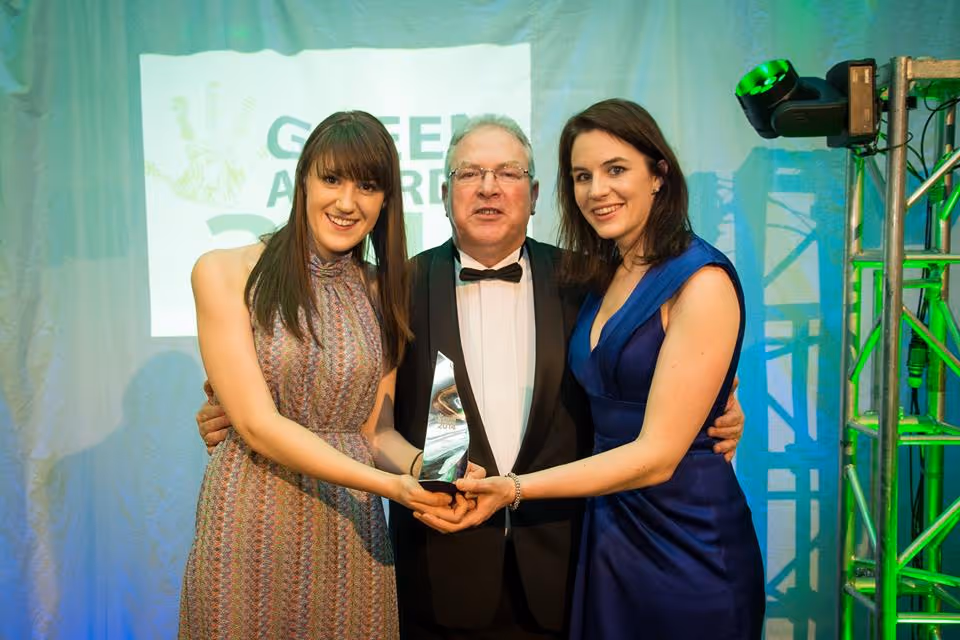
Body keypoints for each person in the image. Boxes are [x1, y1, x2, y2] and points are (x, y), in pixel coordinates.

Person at [197, 113, 747, 639]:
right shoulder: (395, 288)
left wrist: (722, 403)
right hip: (438, 572)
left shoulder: (592, 282)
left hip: (572, 572)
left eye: (508, 173)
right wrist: (228, 407)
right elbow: (363, 413)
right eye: (469, 174)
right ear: (443, 195)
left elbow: (652, 363)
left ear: (534, 197)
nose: (488, 188)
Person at [436, 99, 765, 639]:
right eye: (583, 176)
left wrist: (514, 489)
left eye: (616, 170)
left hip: (686, 536)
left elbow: (657, 454)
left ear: (659, 174)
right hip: (606, 534)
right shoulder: (598, 274)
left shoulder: (700, 279)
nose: (597, 191)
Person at [179, 110, 465, 640]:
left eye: (368, 185)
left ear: (385, 202)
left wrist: (429, 471)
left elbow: (374, 433)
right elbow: (257, 424)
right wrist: (390, 487)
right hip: (251, 519)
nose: (347, 201)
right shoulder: (224, 272)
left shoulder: (385, 289)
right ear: (303, 180)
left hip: (349, 529)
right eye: (331, 179)